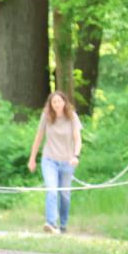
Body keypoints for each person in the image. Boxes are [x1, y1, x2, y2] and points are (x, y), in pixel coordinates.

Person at [28, 90, 82, 234]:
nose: (57, 104)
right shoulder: (46, 116)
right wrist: (32, 158)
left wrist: (76, 156)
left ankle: (63, 225)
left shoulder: (72, 117)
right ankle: (51, 224)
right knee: (51, 190)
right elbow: (38, 138)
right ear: (51, 104)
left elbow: (77, 139)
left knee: (64, 195)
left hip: (67, 161)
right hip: (49, 159)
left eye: (59, 101)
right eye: (54, 102)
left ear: (64, 102)